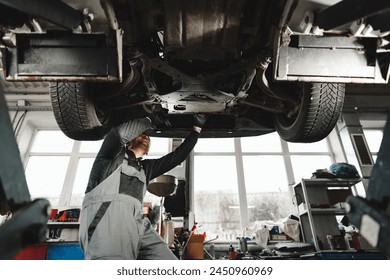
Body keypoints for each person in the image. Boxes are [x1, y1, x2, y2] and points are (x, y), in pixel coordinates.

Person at [79, 114, 207, 260]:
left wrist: (197, 129)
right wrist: (150, 121)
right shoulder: (110, 157)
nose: (145, 137)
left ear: (148, 151)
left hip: (137, 223)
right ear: (129, 141)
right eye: (141, 135)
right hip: (106, 220)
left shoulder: (146, 169)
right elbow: (118, 134)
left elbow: (178, 156)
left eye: (148, 137)